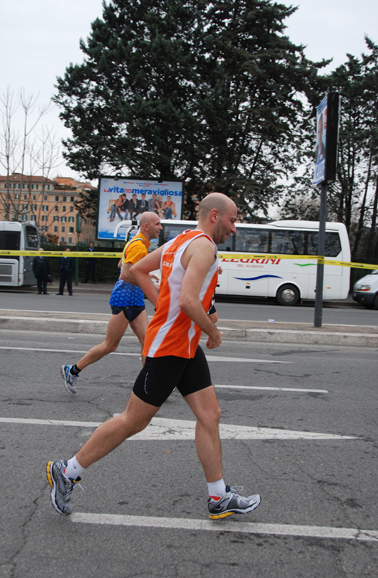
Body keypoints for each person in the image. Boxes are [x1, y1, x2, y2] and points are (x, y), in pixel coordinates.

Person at [47, 193, 261, 520]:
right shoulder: (203, 246)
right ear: (215, 216)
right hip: (170, 347)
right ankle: (67, 471)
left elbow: (136, 271)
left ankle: (218, 497)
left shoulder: (179, 242)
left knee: (209, 415)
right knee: (134, 420)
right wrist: (212, 331)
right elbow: (188, 300)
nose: (234, 227)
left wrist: (164, 304)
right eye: (232, 220)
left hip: (185, 346)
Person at [60, 212, 162, 394]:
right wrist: (152, 285)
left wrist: (147, 275)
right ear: (146, 226)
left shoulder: (136, 242)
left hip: (136, 300)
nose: (160, 228)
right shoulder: (138, 246)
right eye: (157, 224)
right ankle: (72, 370)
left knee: (148, 343)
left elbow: (121, 265)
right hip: (123, 300)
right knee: (110, 345)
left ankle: (151, 385)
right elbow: (125, 274)